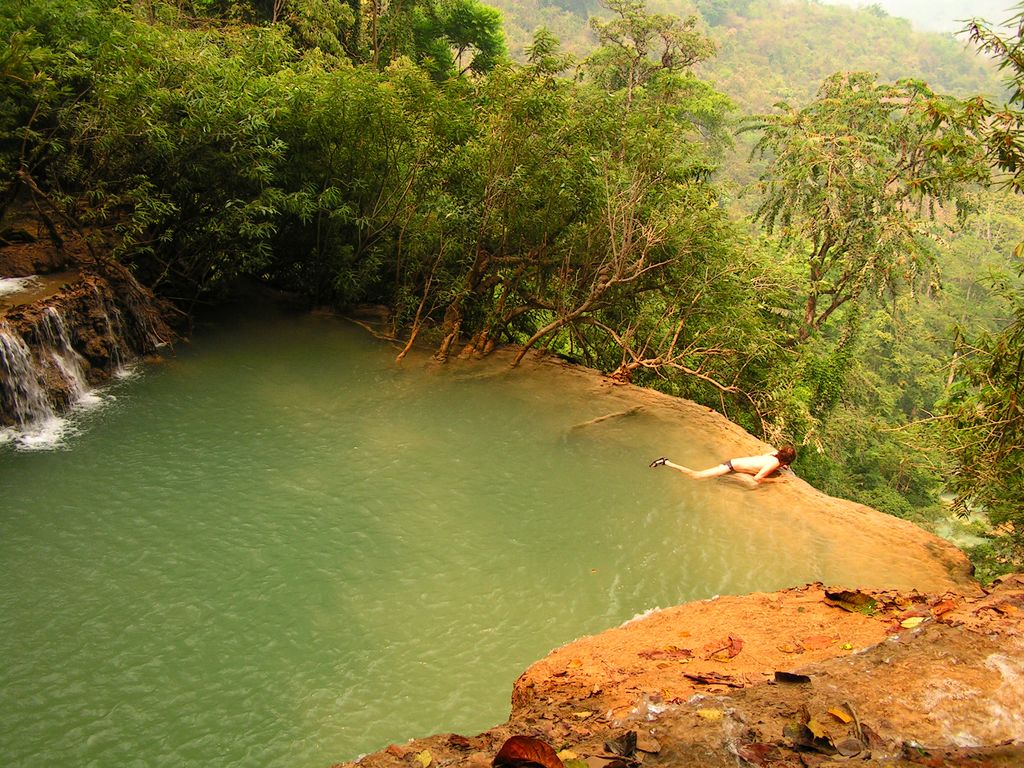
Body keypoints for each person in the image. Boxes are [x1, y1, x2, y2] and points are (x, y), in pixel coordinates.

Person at [649, 445, 796, 488]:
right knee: (696, 476)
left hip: (733, 463)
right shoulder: (774, 463)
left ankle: (722, 479)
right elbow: (758, 478)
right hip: (730, 466)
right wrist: (777, 481)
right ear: (786, 462)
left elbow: (769, 456)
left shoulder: (773, 454)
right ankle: (666, 462)